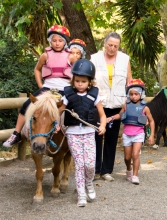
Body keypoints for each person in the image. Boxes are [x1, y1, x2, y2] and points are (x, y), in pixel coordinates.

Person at [3, 24, 77, 147]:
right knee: (26, 104)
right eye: (54, 40)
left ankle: (73, 137)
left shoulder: (71, 57)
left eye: (60, 41)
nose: (57, 43)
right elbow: (37, 69)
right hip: (47, 87)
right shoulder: (45, 55)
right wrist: (40, 85)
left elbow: (77, 74)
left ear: (65, 42)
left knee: (74, 107)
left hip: (64, 89)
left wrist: (73, 87)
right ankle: (16, 134)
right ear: (50, 41)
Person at [58, 59, 107, 207]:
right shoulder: (67, 94)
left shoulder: (94, 95)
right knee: (79, 164)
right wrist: (56, 124)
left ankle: (89, 183)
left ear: (89, 82)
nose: (80, 84)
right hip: (73, 133)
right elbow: (59, 111)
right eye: (77, 81)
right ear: (73, 80)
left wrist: (103, 125)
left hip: (89, 132)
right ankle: (81, 195)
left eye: (83, 81)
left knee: (90, 165)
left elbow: (102, 114)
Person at [90, 32, 132, 181]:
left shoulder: (125, 59)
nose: (112, 48)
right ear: (105, 43)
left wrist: (127, 100)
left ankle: (106, 170)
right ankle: (95, 169)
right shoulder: (94, 58)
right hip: (99, 104)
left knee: (111, 138)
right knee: (96, 136)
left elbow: (129, 81)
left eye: (116, 46)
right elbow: (90, 81)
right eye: (110, 45)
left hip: (117, 104)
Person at [107, 79, 155, 185]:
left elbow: (151, 121)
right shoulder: (126, 105)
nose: (133, 96)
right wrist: (110, 118)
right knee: (127, 157)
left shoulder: (145, 107)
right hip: (127, 134)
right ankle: (129, 169)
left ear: (141, 94)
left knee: (135, 155)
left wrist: (151, 135)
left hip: (138, 134)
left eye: (136, 94)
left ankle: (135, 175)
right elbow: (119, 115)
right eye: (131, 94)